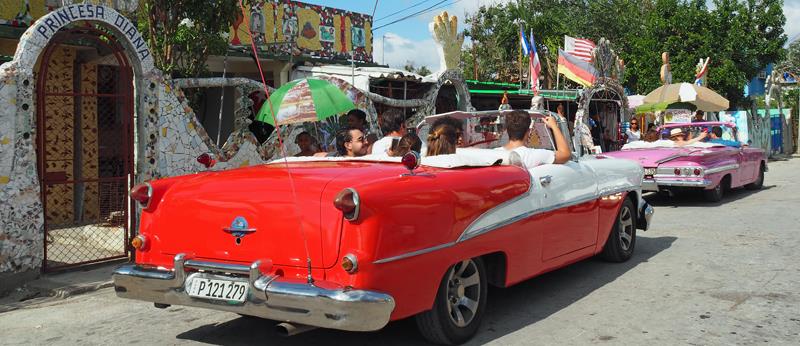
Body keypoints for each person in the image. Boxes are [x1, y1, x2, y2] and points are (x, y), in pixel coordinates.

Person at [496, 110, 570, 168]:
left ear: (507, 131)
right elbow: (565, 154)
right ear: (528, 132)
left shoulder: (493, 154)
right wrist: (554, 126)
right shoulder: (533, 155)